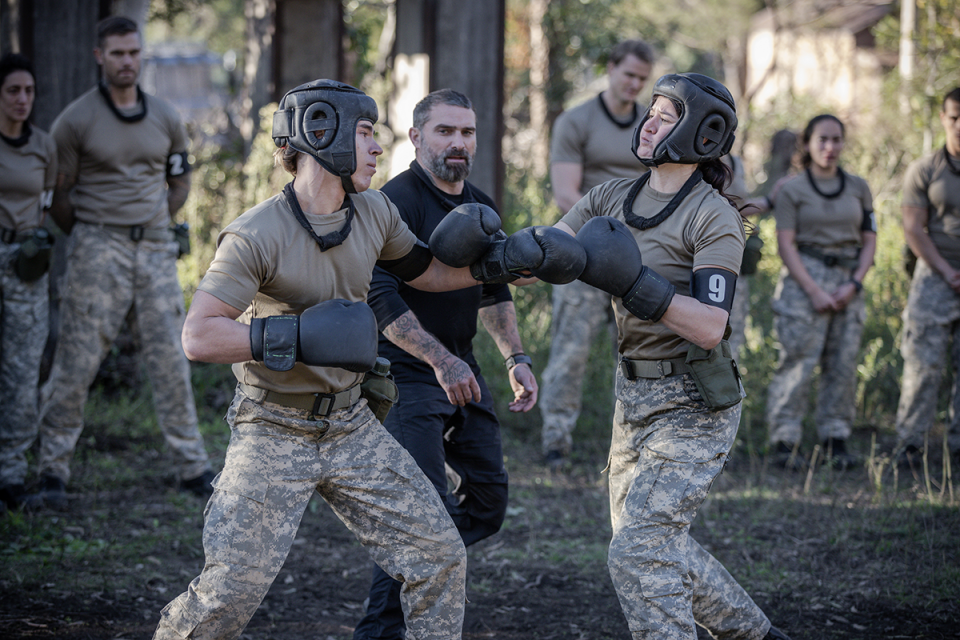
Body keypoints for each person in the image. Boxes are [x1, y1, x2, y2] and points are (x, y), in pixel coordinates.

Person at [153, 78, 583, 640]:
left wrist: (498, 264)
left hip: (350, 425)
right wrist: (298, 336)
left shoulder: (374, 211)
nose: (378, 148)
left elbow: (426, 273)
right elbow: (200, 337)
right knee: (229, 593)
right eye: (365, 134)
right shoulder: (256, 233)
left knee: (439, 556)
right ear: (320, 134)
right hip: (273, 426)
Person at [554, 73, 792, 640]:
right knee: (654, 544)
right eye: (651, 111)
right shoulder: (611, 196)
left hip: (693, 401)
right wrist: (496, 250)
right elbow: (553, 249)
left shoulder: (714, 217)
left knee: (639, 552)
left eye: (665, 115)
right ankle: (756, 636)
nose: (648, 122)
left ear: (700, 134)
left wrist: (635, 282)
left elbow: (712, 326)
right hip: (632, 394)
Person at [354, 89, 538, 640]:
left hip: (463, 367)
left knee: (487, 504)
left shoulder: (479, 203)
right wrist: (437, 358)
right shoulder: (395, 202)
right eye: (444, 131)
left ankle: (422, 562)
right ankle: (380, 629)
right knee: (422, 515)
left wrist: (516, 357)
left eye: (467, 132)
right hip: (405, 373)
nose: (458, 143)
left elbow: (495, 290)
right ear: (416, 137)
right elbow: (378, 292)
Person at [28, 16, 215, 509]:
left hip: (153, 247)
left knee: (172, 359)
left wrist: (151, 223)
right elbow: (57, 197)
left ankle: (192, 467)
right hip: (97, 246)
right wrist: (95, 229)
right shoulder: (75, 119)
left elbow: (179, 183)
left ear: (141, 55)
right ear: (100, 57)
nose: (127, 61)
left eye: (133, 52)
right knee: (76, 361)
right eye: (117, 53)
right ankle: (52, 470)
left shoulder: (165, 117)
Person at [539, 39, 654, 467]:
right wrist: (602, 236)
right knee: (571, 349)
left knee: (637, 352)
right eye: (628, 75)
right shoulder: (577, 121)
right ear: (611, 69)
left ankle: (631, 440)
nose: (634, 84)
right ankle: (556, 438)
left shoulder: (653, 125)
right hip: (585, 254)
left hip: (641, 257)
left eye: (642, 79)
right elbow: (566, 193)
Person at [763, 114, 876, 471]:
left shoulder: (858, 187)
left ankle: (835, 437)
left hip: (847, 277)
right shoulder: (792, 189)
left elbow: (870, 239)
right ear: (808, 144)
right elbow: (786, 244)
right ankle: (784, 439)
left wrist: (854, 283)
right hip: (804, 279)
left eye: (837, 140)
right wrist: (813, 290)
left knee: (842, 364)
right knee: (797, 361)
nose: (830, 147)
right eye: (822, 140)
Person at [0, 53, 57, 513]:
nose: (22, 100)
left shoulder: (43, 145)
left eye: (28, 91)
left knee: (21, 370)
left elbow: (46, 202)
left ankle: (11, 474)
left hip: (25, 263)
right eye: (12, 91)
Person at [894, 87, 960, 467]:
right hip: (935, 277)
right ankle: (910, 445)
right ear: (943, 118)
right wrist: (948, 271)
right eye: (954, 117)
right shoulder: (925, 169)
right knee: (922, 365)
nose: (959, 125)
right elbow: (914, 230)